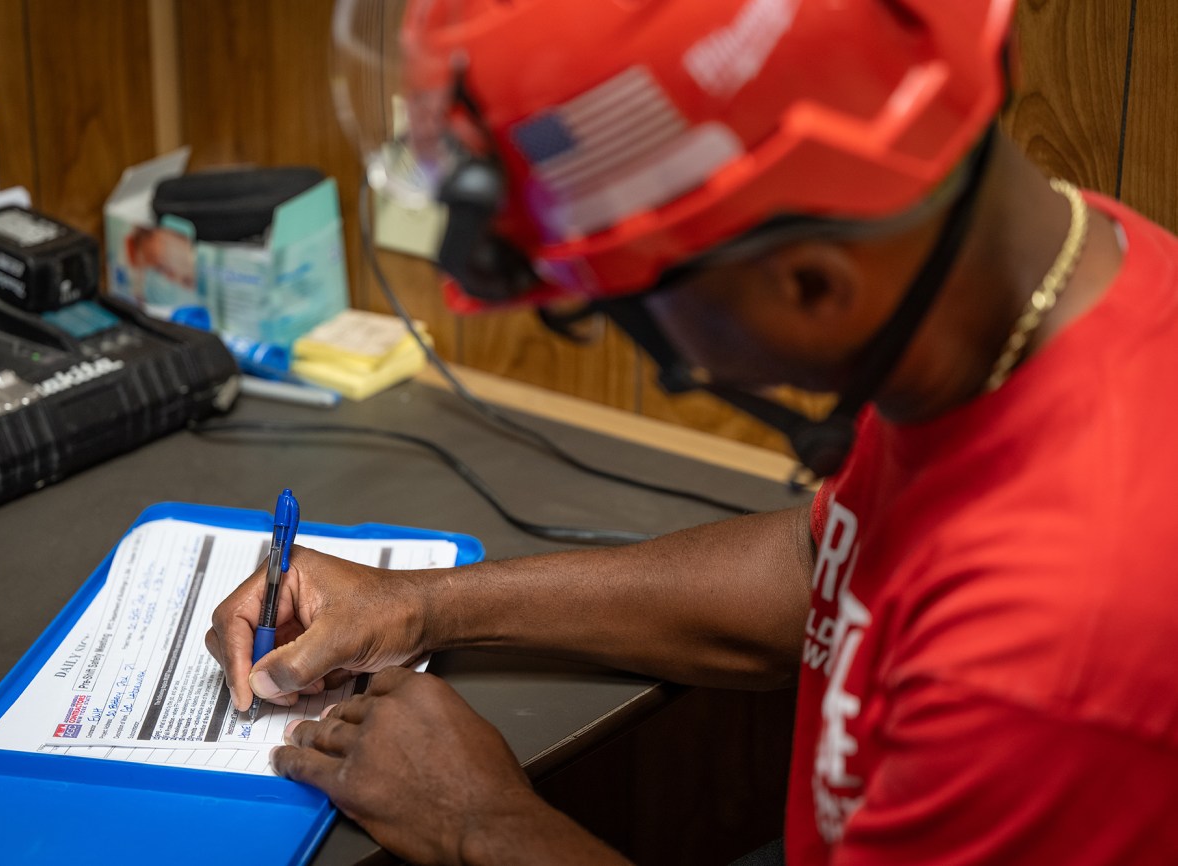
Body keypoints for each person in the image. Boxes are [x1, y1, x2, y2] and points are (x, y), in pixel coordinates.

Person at [206, 1, 1178, 863]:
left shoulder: (1047, 660)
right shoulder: (1036, 277)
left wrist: (483, 822)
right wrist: (420, 605)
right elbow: (834, 567)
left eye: (623, 304)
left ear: (809, 283)